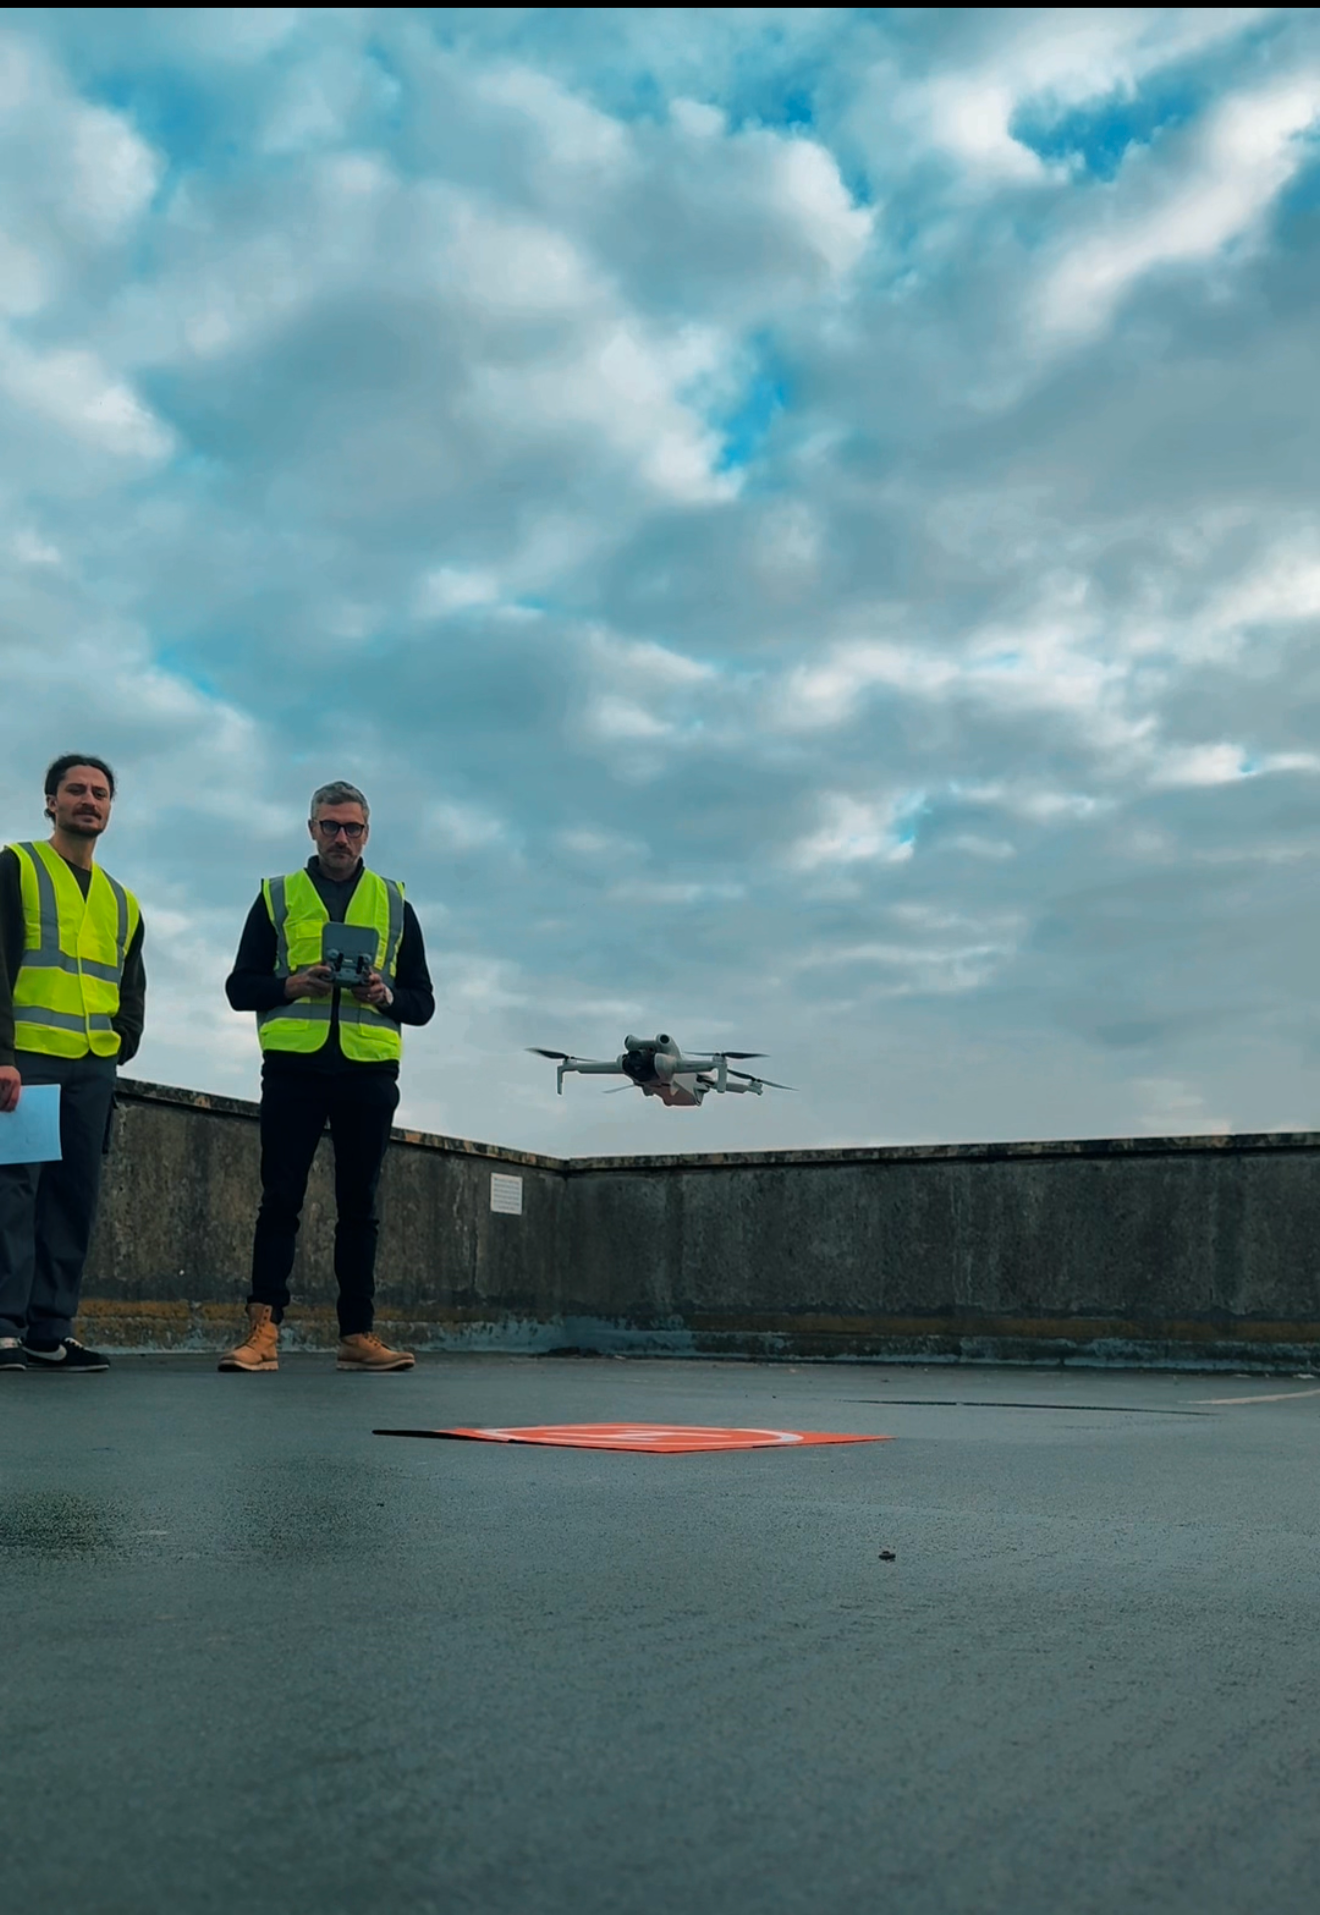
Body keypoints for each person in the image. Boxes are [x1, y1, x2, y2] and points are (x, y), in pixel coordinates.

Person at [222, 780, 434, 1373]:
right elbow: (240, 987)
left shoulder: (395, 903)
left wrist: (385, 994)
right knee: (280, 1200)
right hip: (294, 1067)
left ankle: (357, 1335)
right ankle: (262, 1333)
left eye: (353, 828)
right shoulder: (276, 896)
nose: (341, 837)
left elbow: (423, 1002)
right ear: (311, 829)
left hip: (368, 1070)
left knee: (359, 1206)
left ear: (367, 833)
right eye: (330, 826)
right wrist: (291, 984)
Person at [0, 756, 145, 1373]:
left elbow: (131, 987)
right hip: (27, 1062)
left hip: (91, 1070)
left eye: (101, 793)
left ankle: (48, 1331)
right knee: (14, 1195)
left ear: (111, 808)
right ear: (50, 801)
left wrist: (122, 1042)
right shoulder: (16, 865)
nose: (90, 800)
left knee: (74, 1198)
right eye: (77, 790)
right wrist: (2, 1055)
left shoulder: (123, 899)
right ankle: (4, 1329)